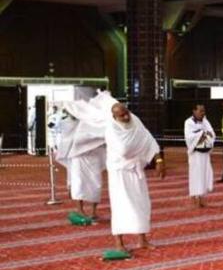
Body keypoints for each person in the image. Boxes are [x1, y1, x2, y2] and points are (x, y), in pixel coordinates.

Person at [106, 103, 164, 252]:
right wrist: (138, 146)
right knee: (121, 206)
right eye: (122, 115)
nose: (126, 117)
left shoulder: (135, 120)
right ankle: (119, 243)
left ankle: (142, 240)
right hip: (120, 172)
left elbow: (148, 139)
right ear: (114, 116)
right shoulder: (111, 129)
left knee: (141, 204)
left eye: (127, 113)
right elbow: (124, 150)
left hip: (136, 169)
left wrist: (159, 160)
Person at [56, 99, 107, 220]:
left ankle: (93, 211)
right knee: (78, 183)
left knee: (96, 184)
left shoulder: (93, 122)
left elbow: (102, 137)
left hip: (93, 157)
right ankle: (80, 210)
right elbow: (67, 141)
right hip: (78, 158)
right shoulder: (68, 123)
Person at [184, 104, 214, 208]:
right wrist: (202, 134)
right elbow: (189, 137)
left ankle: (202, 197)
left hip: (205, 153)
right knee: (195, 175)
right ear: (194, 111)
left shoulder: (205, 121)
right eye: (200, 111)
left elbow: (211, 134)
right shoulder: (188, 122)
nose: (202, 113)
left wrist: (202, 134)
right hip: (195, 154)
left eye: (203, 111)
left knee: (204, 175)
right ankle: (194, 198)